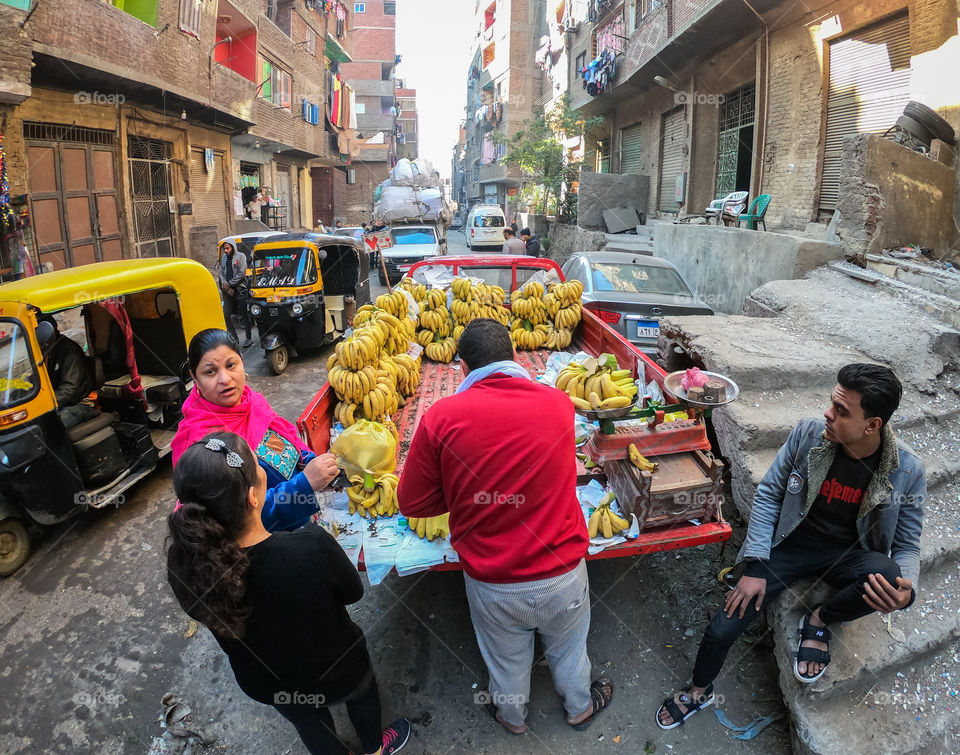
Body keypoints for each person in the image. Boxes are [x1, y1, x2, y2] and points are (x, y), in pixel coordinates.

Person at [656, 363, 925, 730]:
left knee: (892, 578)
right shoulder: (808, 436)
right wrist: (754, 565)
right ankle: (700, 690)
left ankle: (820, 619)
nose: (827, 414)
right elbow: (768, 494)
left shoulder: (906, 470)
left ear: (872, 425)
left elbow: (907, 544)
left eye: (842, 411)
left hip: (848, 555)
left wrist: (907, 590)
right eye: (832, 402)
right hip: (789, 546)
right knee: (722, 628)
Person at [397, 318, 614, 736]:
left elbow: (412, 502)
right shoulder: (558, 404)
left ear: (462, 368)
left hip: (493, 586)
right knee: (569, 652)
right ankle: (580, 707)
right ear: (515, 357)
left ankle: (511, 718)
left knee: (506, 662)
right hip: (563, 574)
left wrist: (466, 493)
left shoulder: (440, 418)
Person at [166, 431, 411, 755]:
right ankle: (374, 749)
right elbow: (353, 592)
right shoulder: (308, 545)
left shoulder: (185, 565)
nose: (263, 463)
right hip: (339, 669)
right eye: (257, 462)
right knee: (362, 694)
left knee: (307, 720)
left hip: (268, 682)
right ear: (254, 497)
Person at [172, 329, 339, 531]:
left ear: (242, 362)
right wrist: (305, 484)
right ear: (194, 377)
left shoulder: (251, 403)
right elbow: (239, 519)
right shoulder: (202, 446)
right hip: (265, 547)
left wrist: (311, 463)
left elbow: (282, 441)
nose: (225, 379)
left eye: (231, 365)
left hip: (297, 521)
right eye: (210, 372)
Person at [40, 315, 96, 429]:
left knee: (52, 427)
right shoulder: (45, 351)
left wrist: (45, 405)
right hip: (62, 403)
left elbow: (69, 388)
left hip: (81, 403)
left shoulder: (68, 350)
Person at [218, 242, 253, 348]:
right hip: (227, 291)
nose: (226, 251)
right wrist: (226, 286)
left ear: (233, 247)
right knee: (226, 314)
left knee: (243, 314)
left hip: (239, 289)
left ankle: (248, 338)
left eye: (227, 248)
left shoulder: (241, 256)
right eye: (224, 249)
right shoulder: (224, 258)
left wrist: (229, 284)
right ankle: (234, 338)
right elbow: (221, 272)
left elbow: (241, 274)